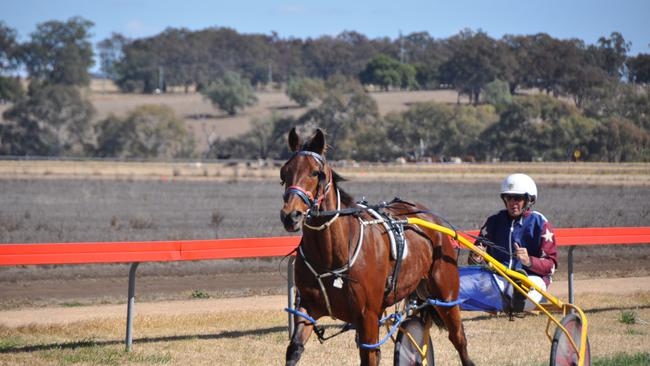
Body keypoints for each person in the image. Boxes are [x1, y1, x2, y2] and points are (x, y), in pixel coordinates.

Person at [468, 173, 558, 312]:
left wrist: (529, 261)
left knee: (528, 293)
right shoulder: (494, 221)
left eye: (518, 198)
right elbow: (474, 257)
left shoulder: (540, 223)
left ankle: (515, 301)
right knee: (470, 284)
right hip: (499, 278)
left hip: (531, 279)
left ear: (529, 200)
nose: (512, 202)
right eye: (508, 198)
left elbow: (550, 266)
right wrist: (476, 257)